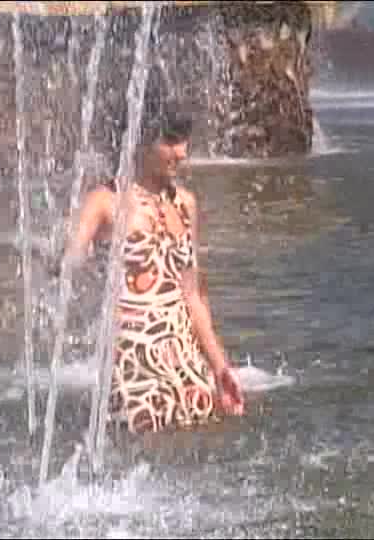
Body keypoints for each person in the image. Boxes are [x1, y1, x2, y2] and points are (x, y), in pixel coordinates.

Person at [58, 109, 245, 434]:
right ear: (140, 139)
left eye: (184, 140)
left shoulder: (185, 204)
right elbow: (69, 260)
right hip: (133, 357)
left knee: (202, 441)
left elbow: (193, 295)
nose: (182, 152)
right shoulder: (105, 202)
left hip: (185, 357)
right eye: (171, 141)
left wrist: (220, 367)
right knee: (143, 442)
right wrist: (68, 256)